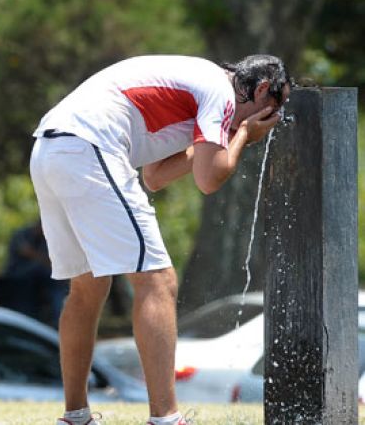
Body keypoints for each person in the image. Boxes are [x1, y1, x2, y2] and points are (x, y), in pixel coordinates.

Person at [29, 55, 290, 425]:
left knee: (87, 287)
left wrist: (227, 137)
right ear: (262, 89)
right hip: (90, 147)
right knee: (158, 281)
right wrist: (245, 135)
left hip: (50, 148)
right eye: (276, 106)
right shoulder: (221, 91)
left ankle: (76, 417)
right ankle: (166, 419)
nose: (275, 116)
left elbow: (154, 176)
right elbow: (209, 180)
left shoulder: (197, 88)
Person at [0, 221, 68, 326]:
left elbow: (52, 262)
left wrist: (33, 254)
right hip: (19, 281)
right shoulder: (22, 235)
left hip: (44, 283)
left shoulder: (50, 238)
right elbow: (19, 256)